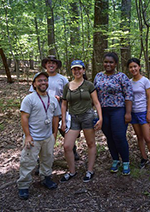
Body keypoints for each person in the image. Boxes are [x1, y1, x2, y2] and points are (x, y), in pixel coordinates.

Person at [30, 56, 79, 175]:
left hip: (60, 110)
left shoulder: (62, 79)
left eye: (53, 63)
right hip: (43, 112)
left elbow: (69, 95)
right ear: (45, 65)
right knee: (44, 136)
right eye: (48, 63)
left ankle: (73, 151)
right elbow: (32, 93)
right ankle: (41, 162)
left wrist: (60, 99)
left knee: (65, 131)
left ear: (57, 65)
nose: (51, 65)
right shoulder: (39, 77)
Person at [18, 72, 61, 200]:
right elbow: (24, 117)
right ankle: (23, 185)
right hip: (33, 138)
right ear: (34, 84)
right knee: (27, 162)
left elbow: (55, 116)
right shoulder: (29, 99)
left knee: (47, 159)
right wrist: (28, 136)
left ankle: (46, 178)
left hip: (47, 137)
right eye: (40, 81)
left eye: (45, 80)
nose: (43, 83)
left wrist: (54, 133)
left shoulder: (52, 99)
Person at [60, 60, 103, 183]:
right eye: (74, 69)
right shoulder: (67, 86)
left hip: (87, 116)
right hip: (73, 118)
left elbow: (96, 102)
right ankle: (72, 171)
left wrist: (100, 118)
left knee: (90, 143)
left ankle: (90, 170)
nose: (77, 71)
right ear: (72, 71)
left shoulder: (88, 85)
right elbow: (64, 104)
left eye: (79, 69)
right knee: (67, 146)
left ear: (83, 70)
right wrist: (63, 121)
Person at [94, 52, 133, 175]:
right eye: (106, 62)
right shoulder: (98, 76)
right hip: (103, 111)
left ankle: (126, 161)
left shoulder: (121, 77)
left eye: (111, 62)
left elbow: (128, 95)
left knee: (119, 136)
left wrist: (128, 113)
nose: (108, 64)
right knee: (109, 137)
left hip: (118, 110)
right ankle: (115, 159)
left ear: (115, 64)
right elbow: (94, 95)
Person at [127, 58, 150, 173]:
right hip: (133, 113)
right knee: (139, 137)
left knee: (148, 138)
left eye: (135, 66)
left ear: (139, 67)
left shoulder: (145, 81)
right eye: (131, 67)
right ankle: (144, 158)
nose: (133, 69)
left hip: (143, 112)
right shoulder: (129, 82)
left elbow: (149, 97)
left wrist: (148, 112)